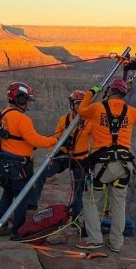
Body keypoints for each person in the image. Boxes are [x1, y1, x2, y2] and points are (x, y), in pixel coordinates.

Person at [75, 78, 136, 253]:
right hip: (125, 165)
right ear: (123, 94)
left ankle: (95, 239)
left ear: (110, 91)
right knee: (118, 205)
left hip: (103, 165)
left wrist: (92, 91)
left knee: (89, 200)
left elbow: (81, 110)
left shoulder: (97, 108)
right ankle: (116, 243)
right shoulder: (130, 111)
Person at [0, 81, 57, 235]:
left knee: (7, 193)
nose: (28, 103)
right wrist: (54, 141)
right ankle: (18, 230)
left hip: (3, 164)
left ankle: (1, 227)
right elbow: (35, 140)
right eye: (26, 99)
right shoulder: (22, 119)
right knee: (22, 197)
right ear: (19, 99)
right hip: (19, 166)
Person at [28, 90, 92, 221]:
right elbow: (56, 138)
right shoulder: (64, 120)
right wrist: (51, 156)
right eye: (77, 103)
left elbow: (97, 139)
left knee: (79, 189)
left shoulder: (90, 122)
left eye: (82, 104)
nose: (79, 106)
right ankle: (32, 203)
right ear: (72, 105)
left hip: (81, 158)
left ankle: (75, 217)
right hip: (64, 154)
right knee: (41, 172)